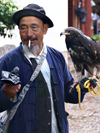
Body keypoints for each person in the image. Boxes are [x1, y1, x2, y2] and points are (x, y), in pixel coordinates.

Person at [0, 3, 97, 133]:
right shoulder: (8, 61)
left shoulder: (56, 57)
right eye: (23, 28)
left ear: (45, 29)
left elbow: (69, 95)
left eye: (34, 28)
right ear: (18, 30)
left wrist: (83, 87)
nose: (29, 34)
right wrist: (6, 94)